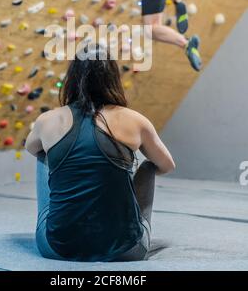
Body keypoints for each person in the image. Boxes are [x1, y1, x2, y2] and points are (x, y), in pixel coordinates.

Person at [26, 44, 175, 262]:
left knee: (44, 154)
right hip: (127, 250)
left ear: (72, 79)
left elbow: (31, 148)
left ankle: (63, 224)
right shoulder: (135, 120)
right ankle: (126, 226)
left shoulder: (47, 120)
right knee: (150, 164)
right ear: (113, 78)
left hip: (57, 249)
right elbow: (167, 165)